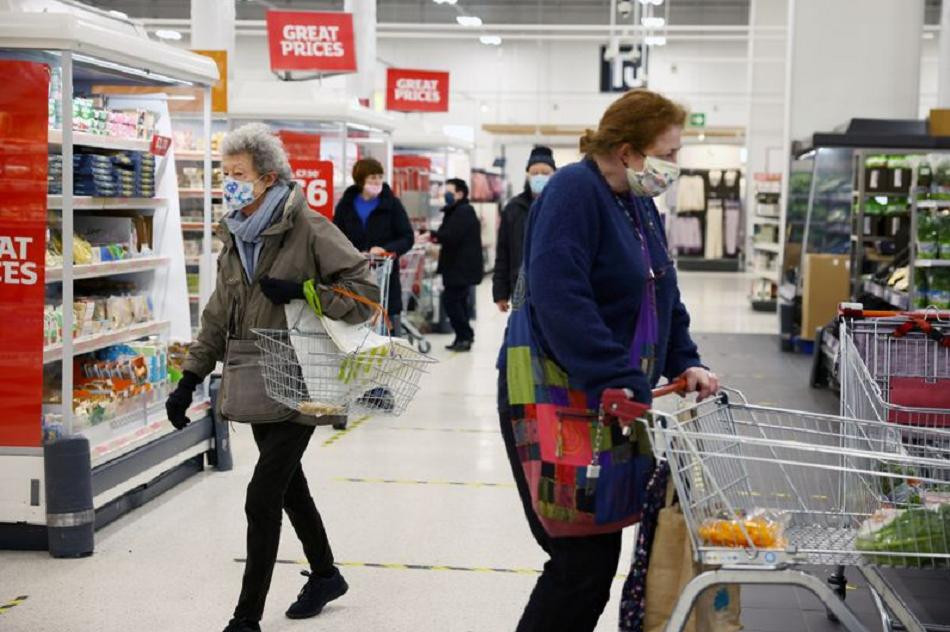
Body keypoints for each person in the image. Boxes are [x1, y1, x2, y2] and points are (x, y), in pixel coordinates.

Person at [496, 90, 719, 631]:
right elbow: (560, 295)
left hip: (607, 397)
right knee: (578, 562)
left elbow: (662, 291)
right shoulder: (574, 191)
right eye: (668, 151)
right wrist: (617, 375)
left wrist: (683, 360)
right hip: (552, 391)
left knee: (594, 560)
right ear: (627, 151)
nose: (675, 164)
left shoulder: (639, 203)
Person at [164, 123, 379, 632]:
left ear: (267, 178)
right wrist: (189, 378)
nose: (229, 184)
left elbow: (365, 296)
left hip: (303, 376)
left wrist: (304, 290)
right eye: (225, 175)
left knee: (262, 496)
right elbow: (219, 313)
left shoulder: (307, 225)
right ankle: (325, 574)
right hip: (253, 376)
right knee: (289, 486)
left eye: (237, 175)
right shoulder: (234, 235)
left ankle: (246, 618)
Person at [333, 157, 415, 334]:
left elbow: (407, 237)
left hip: (384, 276)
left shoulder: (392, 204)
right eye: (372, 178)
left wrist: (385, 249)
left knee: (388, 323)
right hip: (353, 276)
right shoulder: (345, 205)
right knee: (356, 325)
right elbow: (335, 236)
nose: (377, 181)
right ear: (361, 180)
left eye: (379, 177)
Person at [492, 146, 557, 313]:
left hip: (555, 288)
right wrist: (500, 292)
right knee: (523, 336)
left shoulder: (561, 206)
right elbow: (503, 252)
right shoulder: (513, 208)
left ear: (554, 175)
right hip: (521, 287)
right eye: (535, 173)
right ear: (527, 175)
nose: (539, 177)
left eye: (545, 172)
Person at [433, 177, 483, 351]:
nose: (446, 195)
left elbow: (451, 236)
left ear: (460, 194)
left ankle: (465, 336)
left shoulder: (463, 211)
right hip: (456, 266)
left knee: (452, 302)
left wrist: (433, 235)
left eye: (449, 192)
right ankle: (463, 337)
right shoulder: (455, 210)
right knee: (457, 302)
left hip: (460, 267)